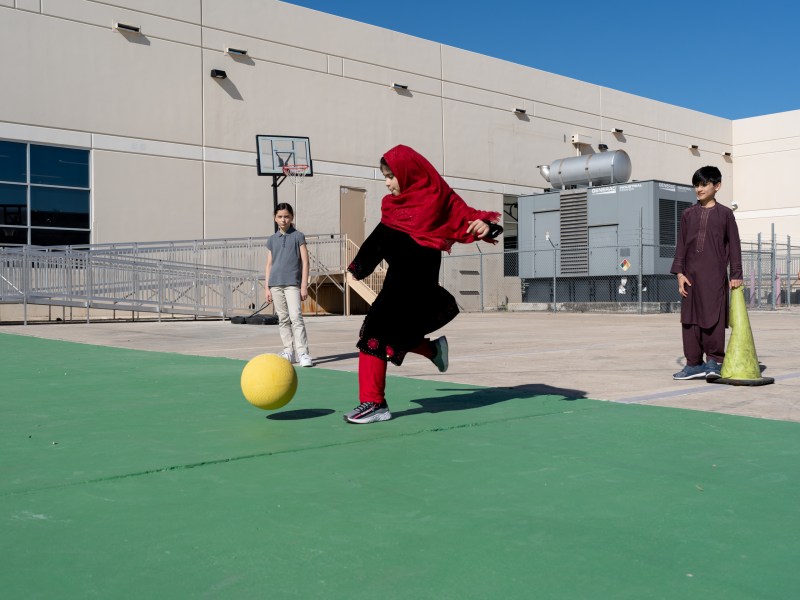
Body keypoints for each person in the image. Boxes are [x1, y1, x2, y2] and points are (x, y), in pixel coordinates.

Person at [344, 144, 502, 424]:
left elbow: (468, 218)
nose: (387, 182)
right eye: (385, 176)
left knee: (375, 335)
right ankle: (433, 351)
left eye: (391, 176)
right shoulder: (392, 208)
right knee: (388, 336)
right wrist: (358, 267)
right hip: (395, 286)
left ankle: (374, 403)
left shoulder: (438, 201)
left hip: (419, 288)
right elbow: (379, 241)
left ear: (408, 173)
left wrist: (485, 226)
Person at [670, 166, 742, 381]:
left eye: (703, 184)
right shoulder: (688, 214)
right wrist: (679, 274)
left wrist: (736, 273)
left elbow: (735, 246)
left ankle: (715, 361)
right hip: (690, 277)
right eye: (696, 185)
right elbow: (681, 245)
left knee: (713, 318)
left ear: (716, 186)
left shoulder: (725, 215)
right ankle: (693, 364)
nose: (699, 189)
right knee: (689, 319)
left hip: (715, 276)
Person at [265, 203, 314, 367]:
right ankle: (288, 351)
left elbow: (305, 263)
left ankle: (303, 353)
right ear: (275, 218)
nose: (283, 219)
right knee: (283, 319)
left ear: (291, 217)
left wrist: (304, 285)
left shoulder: (298, 236)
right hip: (275, 284)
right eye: (279, 216)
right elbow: (269, 264)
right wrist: (267, 287)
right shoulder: (272, 239)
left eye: (286, 216)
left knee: (296, 318)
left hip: (293, 284)